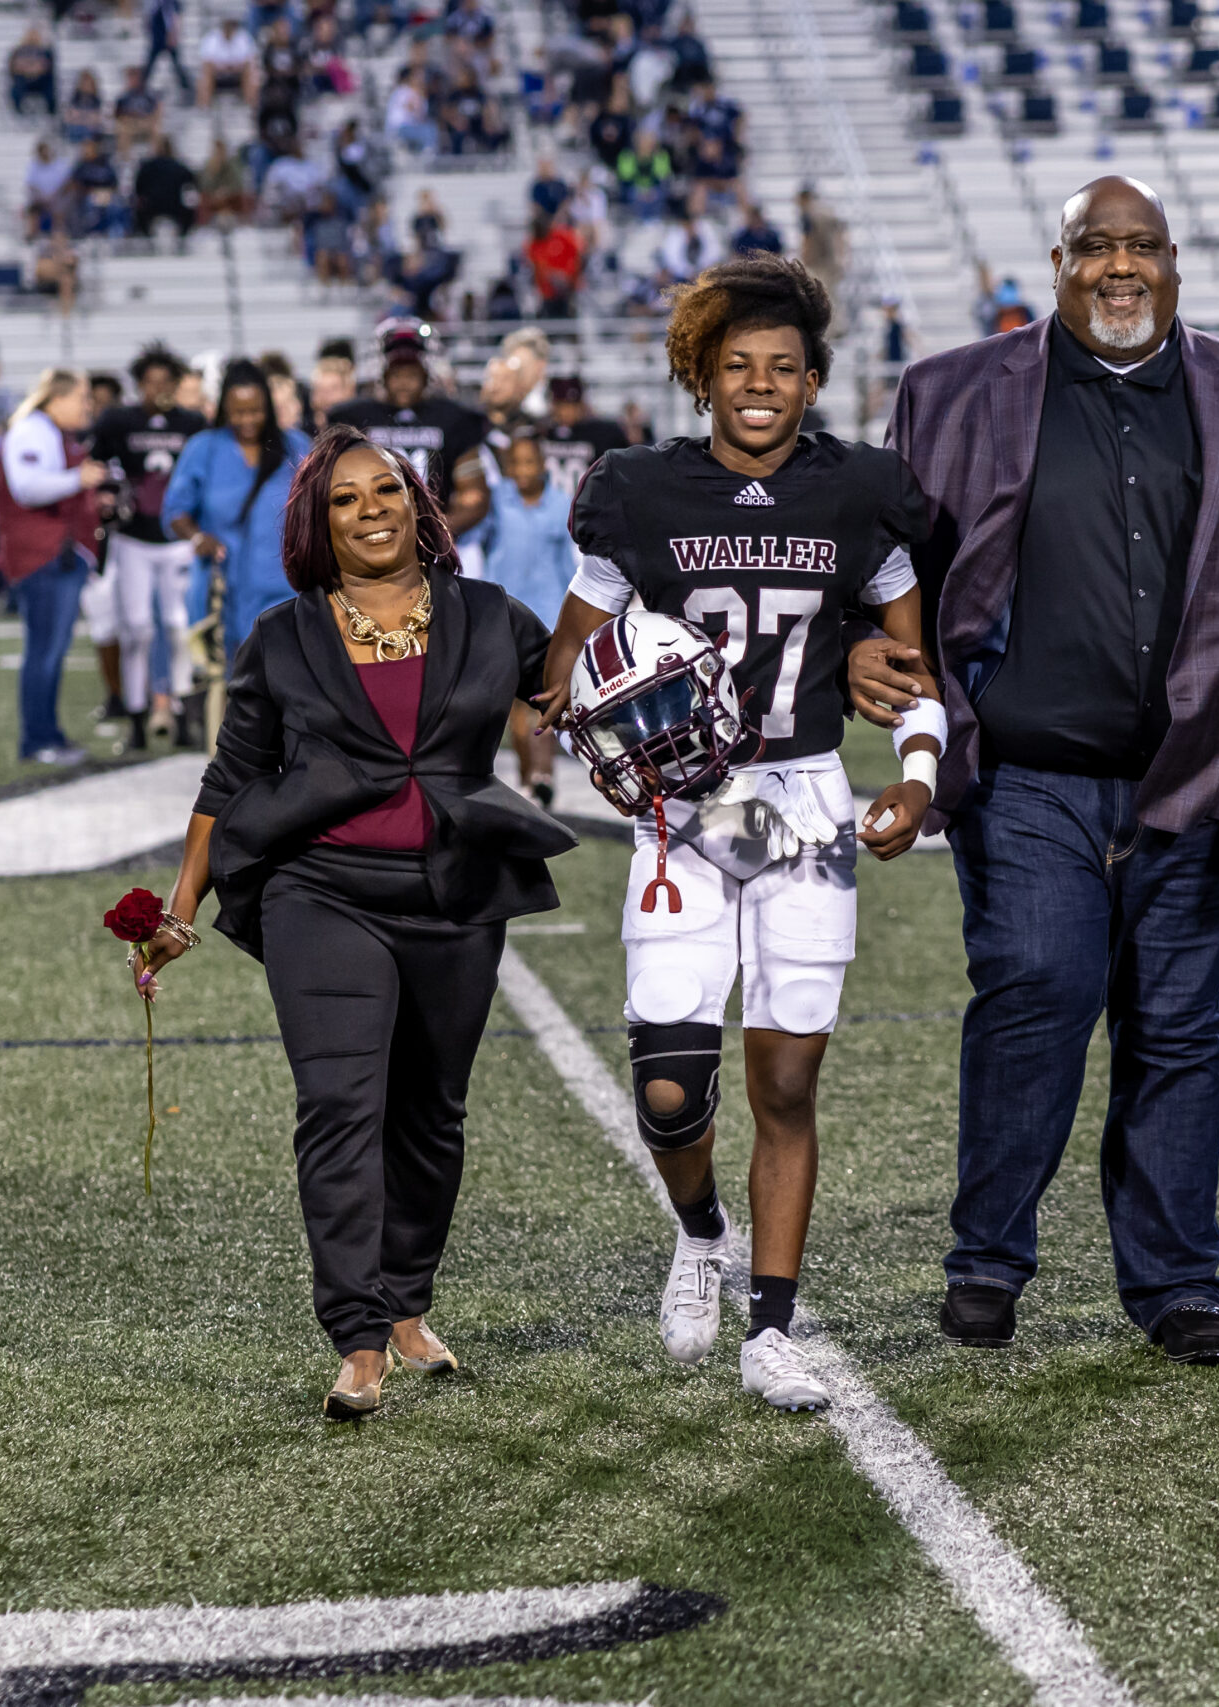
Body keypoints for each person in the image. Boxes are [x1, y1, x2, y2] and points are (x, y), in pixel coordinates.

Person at [847, 176, 1219, 1365]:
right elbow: (883, 555)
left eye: (1140, 246)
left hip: (1199, 768)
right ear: (1058, 262)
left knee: (1176, 1025)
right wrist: (859, 644)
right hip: (1026, 768)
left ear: (1174, 262)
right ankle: (988, 1259)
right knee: (1039, 990)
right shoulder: (950, 390)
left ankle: (1176, 1283)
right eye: (1096, 247)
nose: (1119, 267)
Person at [537, 254, 940, 1412]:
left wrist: (916, 779)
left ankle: (770, 1324)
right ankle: (698, 1230)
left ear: (814, 383)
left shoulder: (863, 491)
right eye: (736, 368)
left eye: (782, 369)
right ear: (700, 379)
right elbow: (567, 660)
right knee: (669, 1083)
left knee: (786, 1080)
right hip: (689, 808)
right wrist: (560, 707)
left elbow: (914, 672)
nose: (758, 387)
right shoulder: (636, 490)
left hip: (802, 797)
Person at [130, 425, 577, 1419]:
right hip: (319, 891)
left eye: (388, 490)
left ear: (419, 505)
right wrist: (180, 908)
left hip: (454, 895)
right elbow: (230, 777)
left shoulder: (491, 614)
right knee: (340, 1106)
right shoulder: (281, 636)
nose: (371, 510)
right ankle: (358, 1337)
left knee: (430, 1112)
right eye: (345, 499)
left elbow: (576, 695)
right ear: (314, 525)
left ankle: (408, 1303)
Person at [94, 343, 209, 747]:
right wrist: (108, 496)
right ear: (138, 384)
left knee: (179, 627)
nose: (157, 389)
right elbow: (98, 468)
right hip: (133, 538)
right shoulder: (117, 421)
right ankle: (138, 717)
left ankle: (180, 712)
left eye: (165, 382)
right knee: (137, 629)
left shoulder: (192, 423)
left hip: (176, 539)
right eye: (149, 381)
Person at [0, 368, 110, 763]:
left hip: (54, 556)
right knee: (44, 651)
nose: (87, 406)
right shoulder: (32, 431)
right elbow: (27, 487)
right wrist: (79, 479)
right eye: (82, 398)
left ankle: (48, 734)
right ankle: (38, 739)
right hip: (43, 557)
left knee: (50, 651)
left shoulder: (50, 432)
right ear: (56, 398)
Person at [166, 358, 311, 670]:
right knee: (236, 687)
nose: (247, 420)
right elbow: (175, 511)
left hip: (286, 590)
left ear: (269, 407)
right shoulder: (203, 448)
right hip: (224, 592)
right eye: (238, 412)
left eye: (256, 410)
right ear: (223, 409)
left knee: (289, 681)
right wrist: (196, 536)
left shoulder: (295, 445)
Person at [477, 429, 576, 804]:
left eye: (529, 461)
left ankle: (542, 775)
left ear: (543, 464)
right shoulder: (496, 503)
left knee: (545, 703)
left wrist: (573, 622)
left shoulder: (560, 503)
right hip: (504, 617)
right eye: (515, 463)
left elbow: (570, 566)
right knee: (516, 711)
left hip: (549, 616)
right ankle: (527, 782)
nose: (523, 469)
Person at [328, 321, 490, 532]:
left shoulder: (453, 418)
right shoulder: (352, 418)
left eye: (412, 375)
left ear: (426, 376)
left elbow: (474, 498)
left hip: (438, 538)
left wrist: (435, 535)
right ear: (382, 375)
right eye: (396, 375)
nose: (404, 383)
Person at [536, 374, 629, 496]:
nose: (566, 411)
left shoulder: (603, 433)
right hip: (550, 509)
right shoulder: (540, 433)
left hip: (588, 508)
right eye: (561, 405)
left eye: (572, 405)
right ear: (553, 405)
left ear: (581, 404)